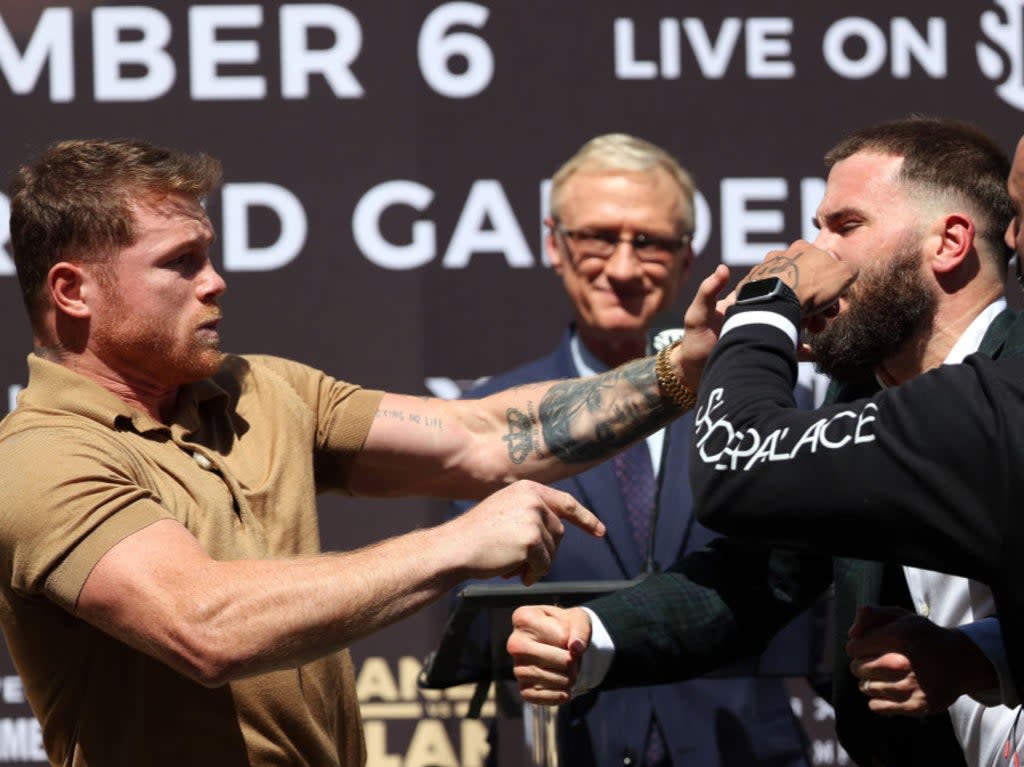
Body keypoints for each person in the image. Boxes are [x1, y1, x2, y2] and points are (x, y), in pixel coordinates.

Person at [0, 137, 702, 767]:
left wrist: (684, 371)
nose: (215, 281)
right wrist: (457, 543)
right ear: (73, 290)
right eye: (181, 263)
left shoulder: (259, 391)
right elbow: (202, 625)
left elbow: (485, 436)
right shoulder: (38, 457)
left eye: (208, 255)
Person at [505, 117, 1024, 767]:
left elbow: (734, 463)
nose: (811, 252)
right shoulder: (860, 401)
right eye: (817, 226)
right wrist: (595, 631)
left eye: (846, 226)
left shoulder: (1015, 378)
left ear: (948, 242)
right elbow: (763, 572)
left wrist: (763, 305)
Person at [449, 134, 816, 767]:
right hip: (569, 746)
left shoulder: (759, 401)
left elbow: (806, 585)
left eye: (649, 241)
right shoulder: (493, 416)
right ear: (553, 244)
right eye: (597, 238)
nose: (622, 268)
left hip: (742, 749)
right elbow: (485, 605)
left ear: (686, 258)